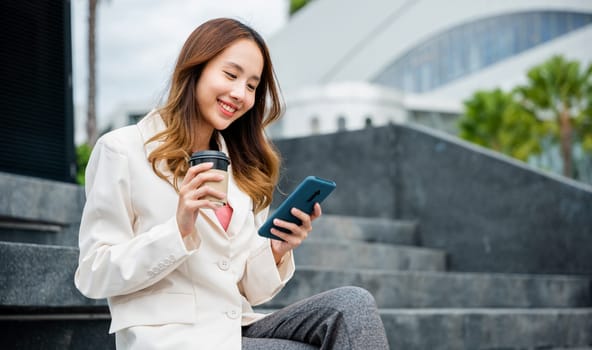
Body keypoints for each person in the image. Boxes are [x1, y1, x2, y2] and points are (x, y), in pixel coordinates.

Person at [74, 17, 389, 350]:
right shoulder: (122, 150)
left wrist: (276, 250)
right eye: (230, 75)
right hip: (170, 336)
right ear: (195, 68)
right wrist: (178, 229)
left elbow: (249, 289)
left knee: (353, 303)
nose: (240, 93)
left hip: (234, 327)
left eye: (252, 86)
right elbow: (94, 274)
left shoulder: (242, 170)